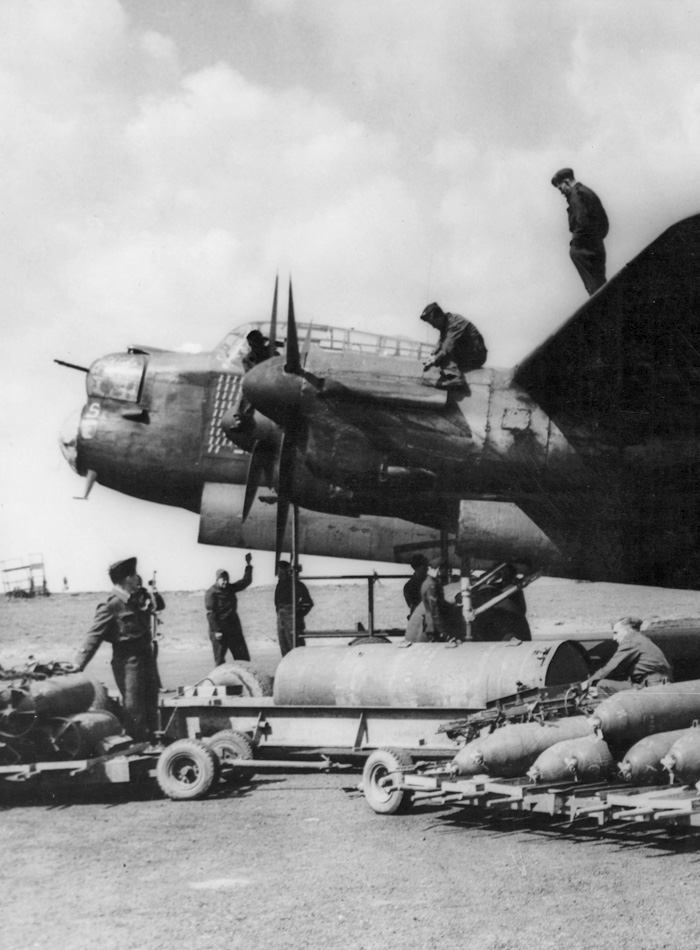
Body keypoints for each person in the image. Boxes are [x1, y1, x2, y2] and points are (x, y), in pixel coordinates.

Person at [72, 557, 159, 743]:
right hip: (128, 662)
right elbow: (93, 637)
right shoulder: (110, 606)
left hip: (146, 657)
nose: (138, 578)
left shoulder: (137, 599)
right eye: (135, 575)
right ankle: (137, 744)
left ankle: (153, 740)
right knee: (134, 705)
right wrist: (77, 666)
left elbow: (158, 606)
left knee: (151, 698)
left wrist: (151, 594)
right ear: (127, 579)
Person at [551, 168, 609, 296]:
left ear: (566, 182)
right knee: (601, 285)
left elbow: (581, 222)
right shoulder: (586, 192)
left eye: (561, 188)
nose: (562, 192)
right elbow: (604, 224)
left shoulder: (576, 196)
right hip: (597, 246)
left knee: (595, 290)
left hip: (585, 250)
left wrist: (575, 245)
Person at [585, 617, 672, 698]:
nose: (614, 638)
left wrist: (587, 683)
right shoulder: (641, 639)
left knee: (602, 685)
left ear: (627, 630)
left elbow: (611, 667)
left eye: (616, 633)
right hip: (660, 684)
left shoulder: (631, 641)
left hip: (650, 687)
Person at [420, 302, 487, 391]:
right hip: (469, 353)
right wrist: (432, 355)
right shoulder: (447, 322)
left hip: (477, 354)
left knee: (444, 353)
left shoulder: (454, 323)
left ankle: (455, 378)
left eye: (433, 323)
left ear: (439, 317)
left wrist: (435, 359)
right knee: (440, 353)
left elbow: (446, 349)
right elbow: (441, 342)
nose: (433, 326)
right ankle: (450, 375)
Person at [204, 554, 253, 665]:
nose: (225, 582)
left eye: (227, 579)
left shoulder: (230, 588)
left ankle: (244, 680)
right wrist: (216, 631)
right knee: (220, 661)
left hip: (233, 627)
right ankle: (221, 680)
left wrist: (248, 565)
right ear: (217, 580)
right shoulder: (211, 593)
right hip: (219, 629)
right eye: (223, 580)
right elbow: (210, 614)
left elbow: (245, 582)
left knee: (243, 658)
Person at [404, 558, 465, 643]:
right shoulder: (431, 585)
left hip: (432, 624)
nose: (447, 572)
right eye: (444, 569)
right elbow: (434, 610)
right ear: (438, 570)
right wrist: (442, 632)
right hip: (433, 626)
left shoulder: (430, 582)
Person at [471, 564, 532, 641]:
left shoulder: (515, 588)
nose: (505, 574)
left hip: (511, 623)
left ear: (513, 574)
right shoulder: (496, 586)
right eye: (503, 572)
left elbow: (521, 609)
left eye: (507, 572)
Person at [274, 560, 314, 656]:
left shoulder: (296, 584)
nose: (279, 574)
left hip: (292, 620)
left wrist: (297, 614)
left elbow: (308, 603)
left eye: (281, 571)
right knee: (284, 648)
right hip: (281, 619)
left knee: (296, 649)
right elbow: (276, 603)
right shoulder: (279, 586)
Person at [403, 554, 429, 619]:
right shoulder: (409, 586)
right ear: (416, 568)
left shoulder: (432, 582)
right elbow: (412, 605)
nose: (427, 569)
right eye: (424, 566)